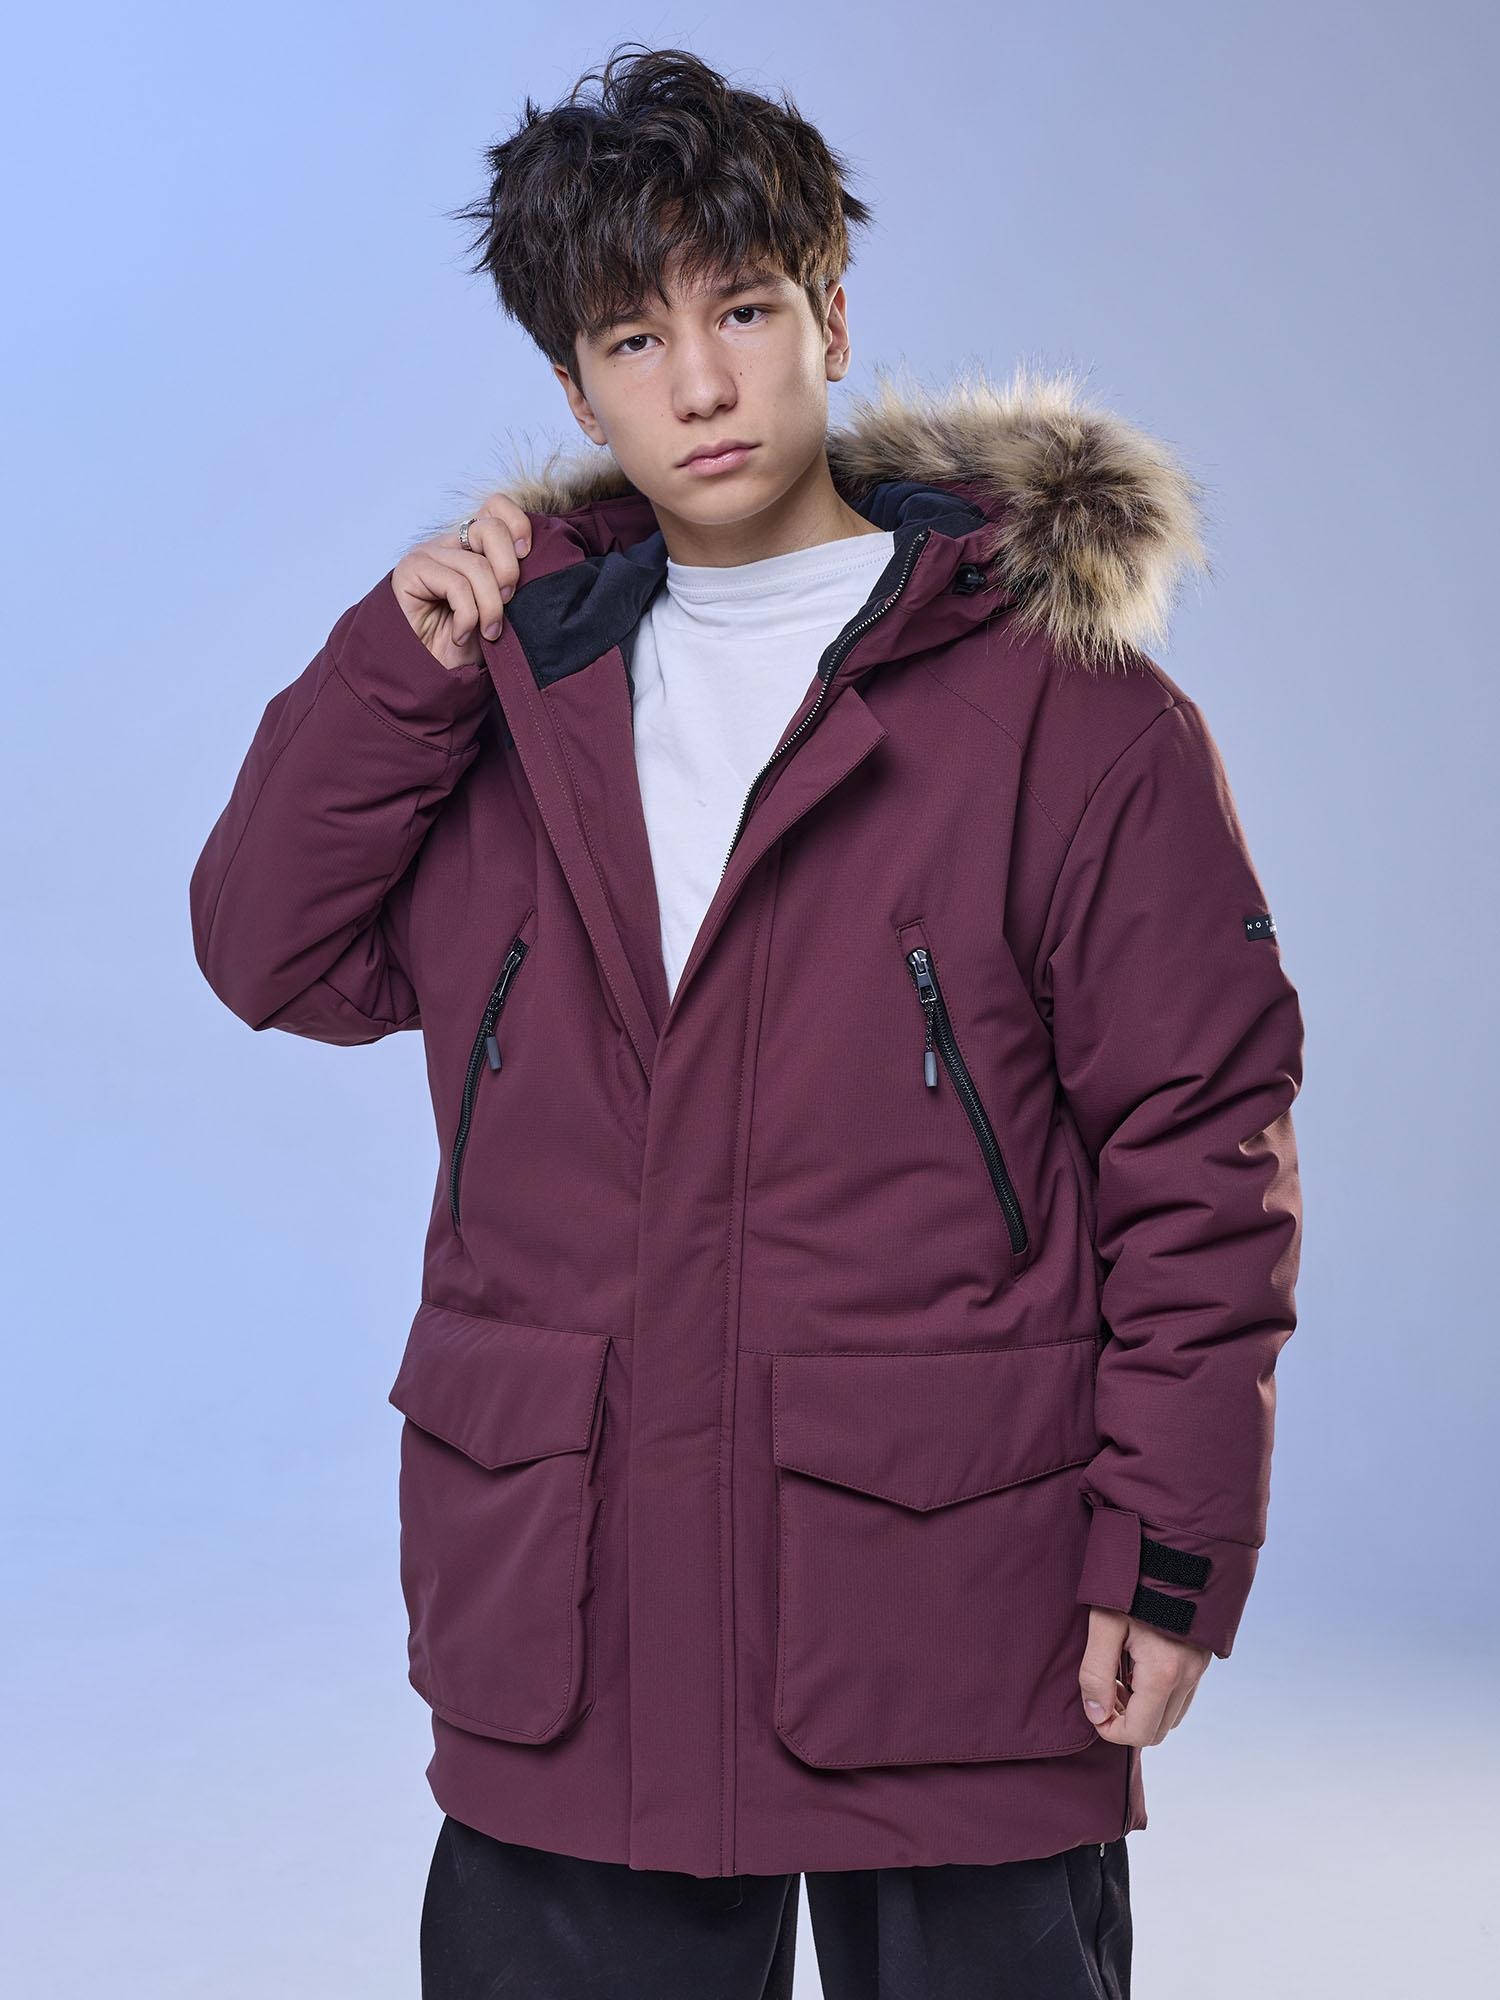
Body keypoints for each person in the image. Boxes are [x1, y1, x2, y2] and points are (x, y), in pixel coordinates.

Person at [189, 40, 1303, 2000]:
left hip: (950, 1603)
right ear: (576, 387)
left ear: (830, 315)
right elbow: (267, 950)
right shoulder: (503, 699)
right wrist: (392, 674)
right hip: (577, 1611)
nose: (699, 384)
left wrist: (1171, 1549)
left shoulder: (1068, 713)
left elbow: (1202, 1145)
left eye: (745, 311)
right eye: (635, 338)